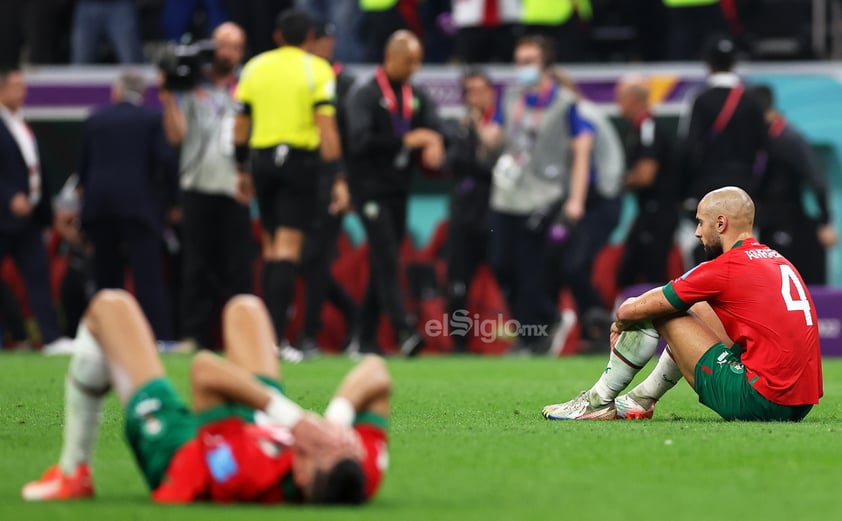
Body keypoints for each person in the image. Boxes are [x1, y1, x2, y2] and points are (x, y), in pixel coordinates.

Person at [21, 289, 391, 504]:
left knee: (110, 307)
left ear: (305, 480)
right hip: (256, 428)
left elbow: (204, 372)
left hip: (184, 450)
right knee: (246, 309)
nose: (320, 444)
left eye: (314, 454)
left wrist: (296, 420)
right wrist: (336, 422)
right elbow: (376, 372)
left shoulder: (249, 473)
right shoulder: (360, 469)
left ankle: (73, 472)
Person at [542, 187, 823, 422]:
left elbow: (630, 310)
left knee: (658, 310)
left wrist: (621, 322)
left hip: (760, 400)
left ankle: (596, 401)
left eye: (701, 223)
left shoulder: (724, 267)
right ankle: (641, 399)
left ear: (721, 224)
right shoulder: (777, 260)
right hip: (800, 405)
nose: (697, 233)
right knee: (699, 308)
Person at [489, 35, 623, 354]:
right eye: (518, 61)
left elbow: (581, 153)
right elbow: (495, 136)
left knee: (533, 269)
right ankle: (543, 325)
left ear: (546, 66)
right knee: (499, 264)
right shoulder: (509, 97)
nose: (521, 68)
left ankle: (534, 335)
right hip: (507, 195)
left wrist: (575, 199)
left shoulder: (566, 104)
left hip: (544, 196)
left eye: (529, 62)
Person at [233, 9, 349, 351]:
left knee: (270, 249)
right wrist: (339, 176)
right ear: (310, 38)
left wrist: (241, 168)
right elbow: (325, 126)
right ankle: (276, 340)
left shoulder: (255, 67)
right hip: (299, 162)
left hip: (263, 161)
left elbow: (240, 126)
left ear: (277, 37)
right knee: (288, 249)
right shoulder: (317, 69)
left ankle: (265, 339)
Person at [344, 29, 444, 357]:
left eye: (418, 61)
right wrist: (404, 142)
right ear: (390, 58)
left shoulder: (414, 94)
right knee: (387, 255)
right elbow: (357, 143)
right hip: (368, 189)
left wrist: (435, 142)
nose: (415, 67)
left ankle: (363, 337)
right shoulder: (365, 94)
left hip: (399, 189)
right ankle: (404, 330)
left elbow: (434, 129)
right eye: (409, 61)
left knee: (382, 261)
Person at [160, 22, 255, 352]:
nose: (226, 51)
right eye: (221, 44)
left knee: (238, 269)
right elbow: (175, 136)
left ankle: (241, 340)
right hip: (196, 185)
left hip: (235, 187)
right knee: (196, 266)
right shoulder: (191, 85)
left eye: (234, 46)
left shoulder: (249, 85)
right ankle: (194, 336)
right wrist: (169, 95)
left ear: (242, 52)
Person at [79, 70, 177, 340]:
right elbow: (165, 163)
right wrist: (170, 202)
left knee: (105, 280)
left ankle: (102, 340)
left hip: (100, 208)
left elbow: (84, 171)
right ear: (143, 95)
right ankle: (158, 338)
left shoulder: (95, 120)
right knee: (148, 279)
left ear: (116, 92)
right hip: (140, 208)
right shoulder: (152, 119)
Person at [296, 19, 359, 356]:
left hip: (330, 180)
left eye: (317, 40)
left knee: (316, 258)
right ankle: (353, 314)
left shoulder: (343, 83)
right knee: (305, 259)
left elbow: (345, 138)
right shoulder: (300, 78)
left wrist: (342, 181)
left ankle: (309, 334)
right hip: (302, 178)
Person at [0, 66, 73, 354]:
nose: (23, 92)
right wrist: (8, 197)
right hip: (3, 217)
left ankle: (51, 338)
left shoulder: (21, 123)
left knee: (38, 276)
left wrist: (47, 213)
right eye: (17, 86)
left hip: (28, 220)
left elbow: (34, 171)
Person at [678, 35, 766, 266]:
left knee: (704, 257)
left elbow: (689, 149)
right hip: (744, 193)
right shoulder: (752, 102)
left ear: (708, 63)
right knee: (743, 257)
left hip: (708, 192)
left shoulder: (701, 101)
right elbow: (765, 149)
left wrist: (684, 193)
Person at [747, 84, 838, 285]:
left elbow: (817, 179)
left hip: (789, 225)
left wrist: (825, 222)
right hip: (770, 224)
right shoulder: (765, 137)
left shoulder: (789, 139)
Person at [442, 69, 501, 353]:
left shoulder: (502, 126)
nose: (475, 98)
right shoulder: (457, 128)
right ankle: (459, 342)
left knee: (506, 275)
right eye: (469, 92)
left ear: (491, 93)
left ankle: (523, 338)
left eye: (480, 90)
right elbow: (451, 162)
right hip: (464, 214)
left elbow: (493, 166)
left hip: (496, 215)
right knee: (457, 282)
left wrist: (476, 131)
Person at [614, 75, 679, 288]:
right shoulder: (639, 129)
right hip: (649, 212)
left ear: (633, 99)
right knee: (631, 271)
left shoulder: (648, 128)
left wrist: (616, 183)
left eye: (620, 98)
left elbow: (645, 175)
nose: (618, 104)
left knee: (652, 272)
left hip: (657, 213)